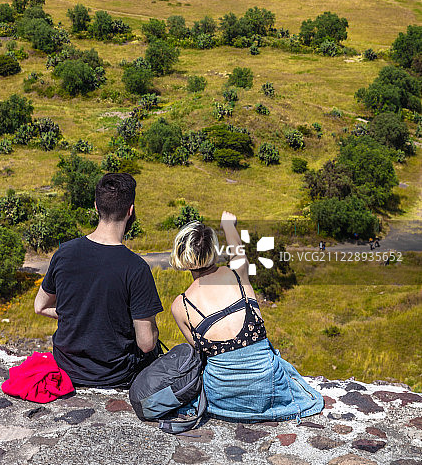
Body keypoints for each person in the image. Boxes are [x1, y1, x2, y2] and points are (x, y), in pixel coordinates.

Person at [170, 212, 323, 422]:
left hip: (222, 397)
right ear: (213, 250)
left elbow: (200, 352)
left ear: (181, 256)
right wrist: (228, 225)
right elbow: (237, 251)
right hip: (267, 386)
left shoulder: (181, 306)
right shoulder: (237, 274)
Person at [34, 173, 163, 387]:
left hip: (67, 369)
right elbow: (147, 344)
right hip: (116, 376)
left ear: (96, 206)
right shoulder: (136, 268)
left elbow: (40, 306)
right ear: (130, 211)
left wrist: (79, 319)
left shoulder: (64, 252)